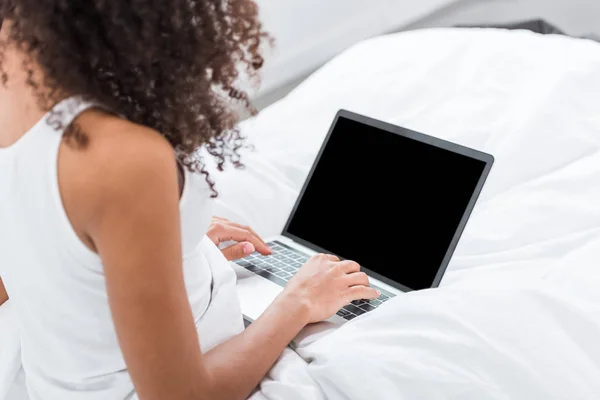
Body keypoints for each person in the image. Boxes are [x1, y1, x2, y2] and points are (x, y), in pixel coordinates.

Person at [0, 1, 379, 400]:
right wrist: (297, 303)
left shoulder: (17, 84)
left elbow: (36, 232)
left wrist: (140, 256)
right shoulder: (122, 161)